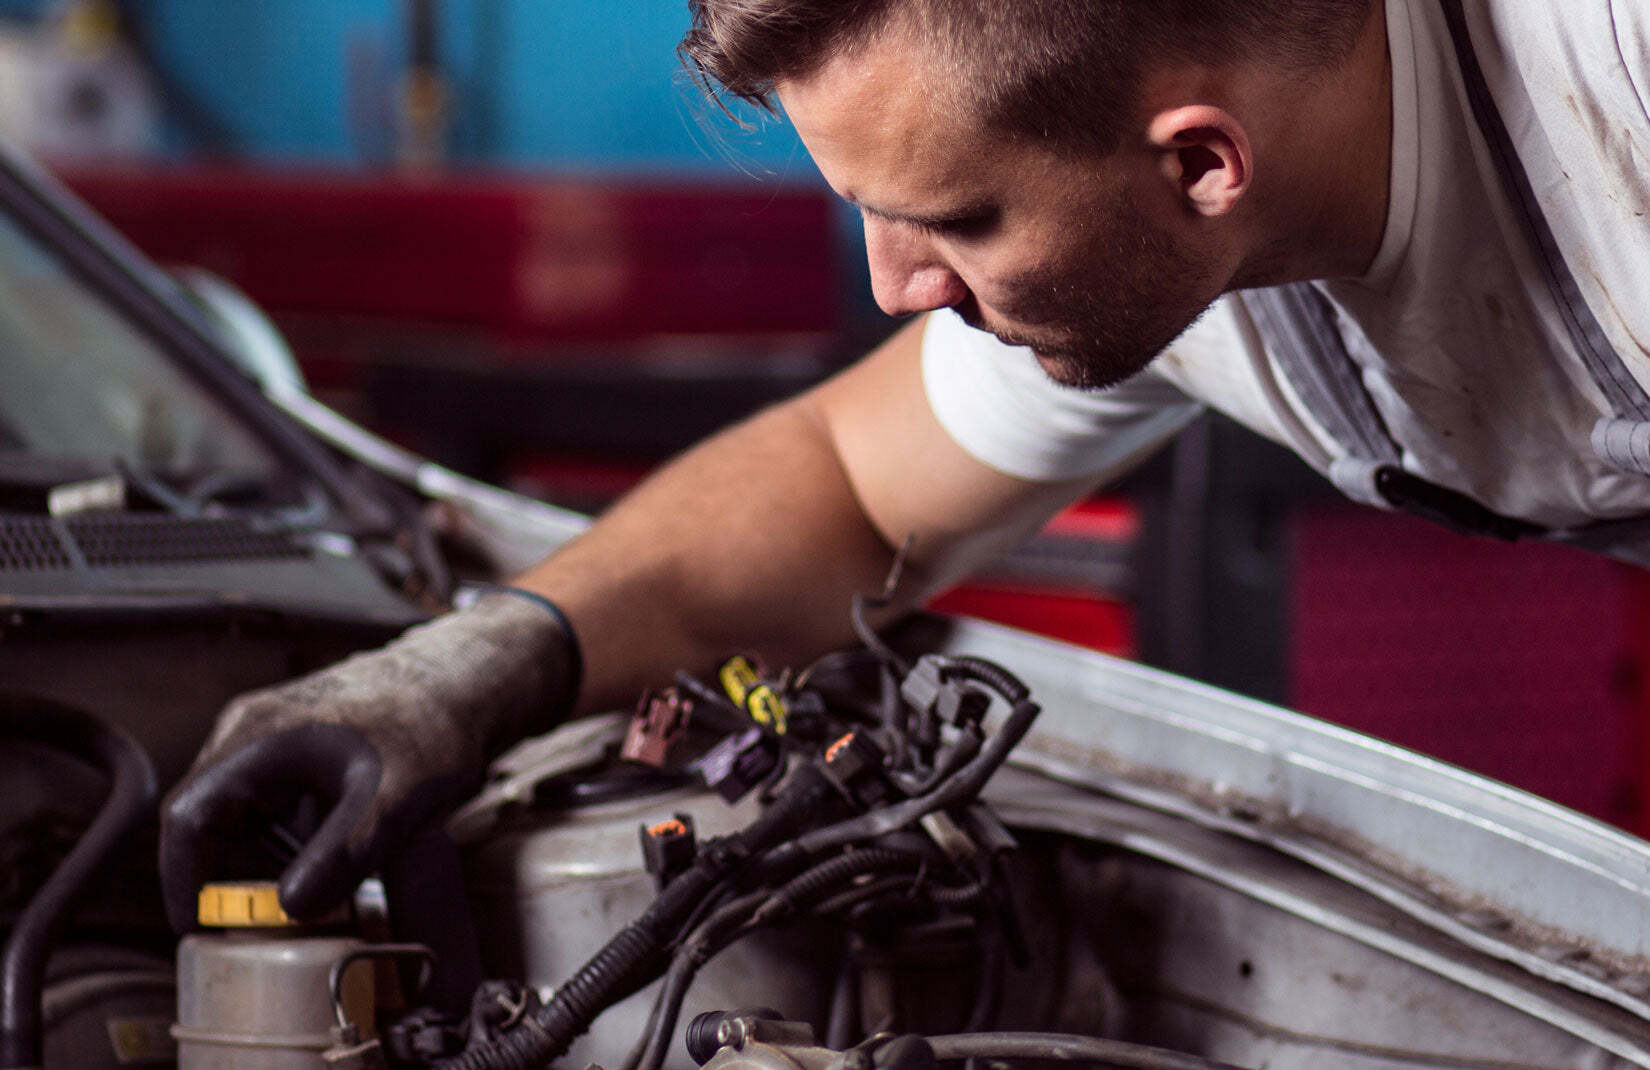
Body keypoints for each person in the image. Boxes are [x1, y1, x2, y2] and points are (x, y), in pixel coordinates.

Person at [159, 0, 1650, 932]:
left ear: (1201, 164)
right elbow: (843, 485)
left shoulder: (1614, 90)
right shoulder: (1160, 208)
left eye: (954, 218)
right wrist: (471, 667)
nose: (894, 285)